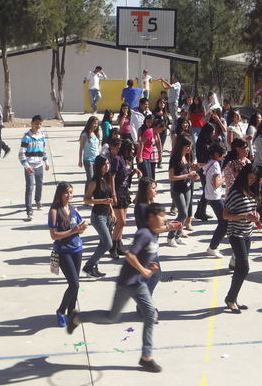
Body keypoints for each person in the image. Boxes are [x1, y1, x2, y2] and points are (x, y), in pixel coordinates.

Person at [67, 203, 179, 373]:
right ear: (151, 218)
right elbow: (130, 255)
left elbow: (144, 255)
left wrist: (150, 266)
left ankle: (146, 358)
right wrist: (144, 270)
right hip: (127, 283)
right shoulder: (144, 234)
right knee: (112, 317)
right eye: (162, 216)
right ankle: (77, 318)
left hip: (139, 283)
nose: (165, 219)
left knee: (150, 314)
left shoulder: (155, 234)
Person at [48, 181, 88, 327]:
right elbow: (54, 235)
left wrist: (81, 228)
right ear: (60, 194)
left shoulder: (73, 209)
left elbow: (79, 227)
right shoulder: (54, 211)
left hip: (77, 249)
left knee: (75, 283)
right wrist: (73, 230)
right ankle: (60, 311)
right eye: (66, 192)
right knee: (74, 284)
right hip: (63, 251)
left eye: (71, 192)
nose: (69, 195)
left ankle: (71, 312)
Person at [223, 163, 259, 313]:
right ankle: (230, 298)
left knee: (240, 267)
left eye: (254, 179)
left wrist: (256, 216)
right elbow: (225, 215)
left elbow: (253, 210)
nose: (252, 181)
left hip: (247, 232)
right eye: (250, 178)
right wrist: (244, 216)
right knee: (244, 267)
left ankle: (232, 298)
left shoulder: (252, 191)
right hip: (235, 233)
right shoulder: (234, 192)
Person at [82, 156, 115, 278]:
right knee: (108, 243)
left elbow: (108, 197)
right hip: (98, 216)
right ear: (98, 166)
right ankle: (88, 266)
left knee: (103, 242)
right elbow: (86, 200)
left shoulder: (106, 177)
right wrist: (102, 201)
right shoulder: (94, 181)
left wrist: (111, 210)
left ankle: (94, 267)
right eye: (104, 164)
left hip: (107, 215)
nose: (107, 166)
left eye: (108, 163)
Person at [110, 139, 142, 259]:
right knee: (121, 221)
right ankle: (113, 245)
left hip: (125, 191)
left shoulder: (129, 160)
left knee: (123, 223)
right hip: (117, 191)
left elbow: (126, 175)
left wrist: (134, 172)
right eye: (132, 149)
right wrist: (113, 194)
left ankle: (118, 244)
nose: (133, 151)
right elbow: (112, 177)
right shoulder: (117, 159)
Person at [167, 136, 199, 247]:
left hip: (187, 187)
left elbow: (187, 170)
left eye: (190, 146)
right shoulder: (175, 159)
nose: (189, 148)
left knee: (184, 214)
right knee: (182, 213)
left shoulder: (186, 157)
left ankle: (178, 236)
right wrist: (187, 175)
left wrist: (193, 172)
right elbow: (171, 177)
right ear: (182, 146)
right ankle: (171, 236)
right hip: (178, 190)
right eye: (187, 146)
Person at [19, 115, 50, 221]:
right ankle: (29, 210)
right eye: (36, 123)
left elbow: (43, 150)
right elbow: (21, 154)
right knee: (30, 187)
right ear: (31, 123)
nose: (38, 126)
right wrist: (27, 166)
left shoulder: (42, 136)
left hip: (39, 165)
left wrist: (46, 162)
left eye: (40, 124)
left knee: (40, 184)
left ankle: (38, 200)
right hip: (30, 166)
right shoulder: (26, 137)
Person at [204, 141, 228, 257]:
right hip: (215, 197)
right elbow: (215, 184)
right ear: (217, 154)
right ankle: (213, 247)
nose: (224, 156)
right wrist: (224, 178)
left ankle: (213, 246)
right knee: (224, 222)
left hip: (211, 195)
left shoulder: (210, 162)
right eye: (223, 154)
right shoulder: (215, 165)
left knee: (224, 221)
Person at [77, 116, 100, 194]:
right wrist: (80, 160)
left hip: (96, 159)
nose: (95, 125)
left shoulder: (95, 134)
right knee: (90, 178)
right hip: (88, 160)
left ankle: (93, 194)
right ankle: (87, 197)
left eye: (97, 123)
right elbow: (81, 148)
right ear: (90, 123)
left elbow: (97, 148)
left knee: (95, 178)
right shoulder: (84, 135)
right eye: (94, 123)